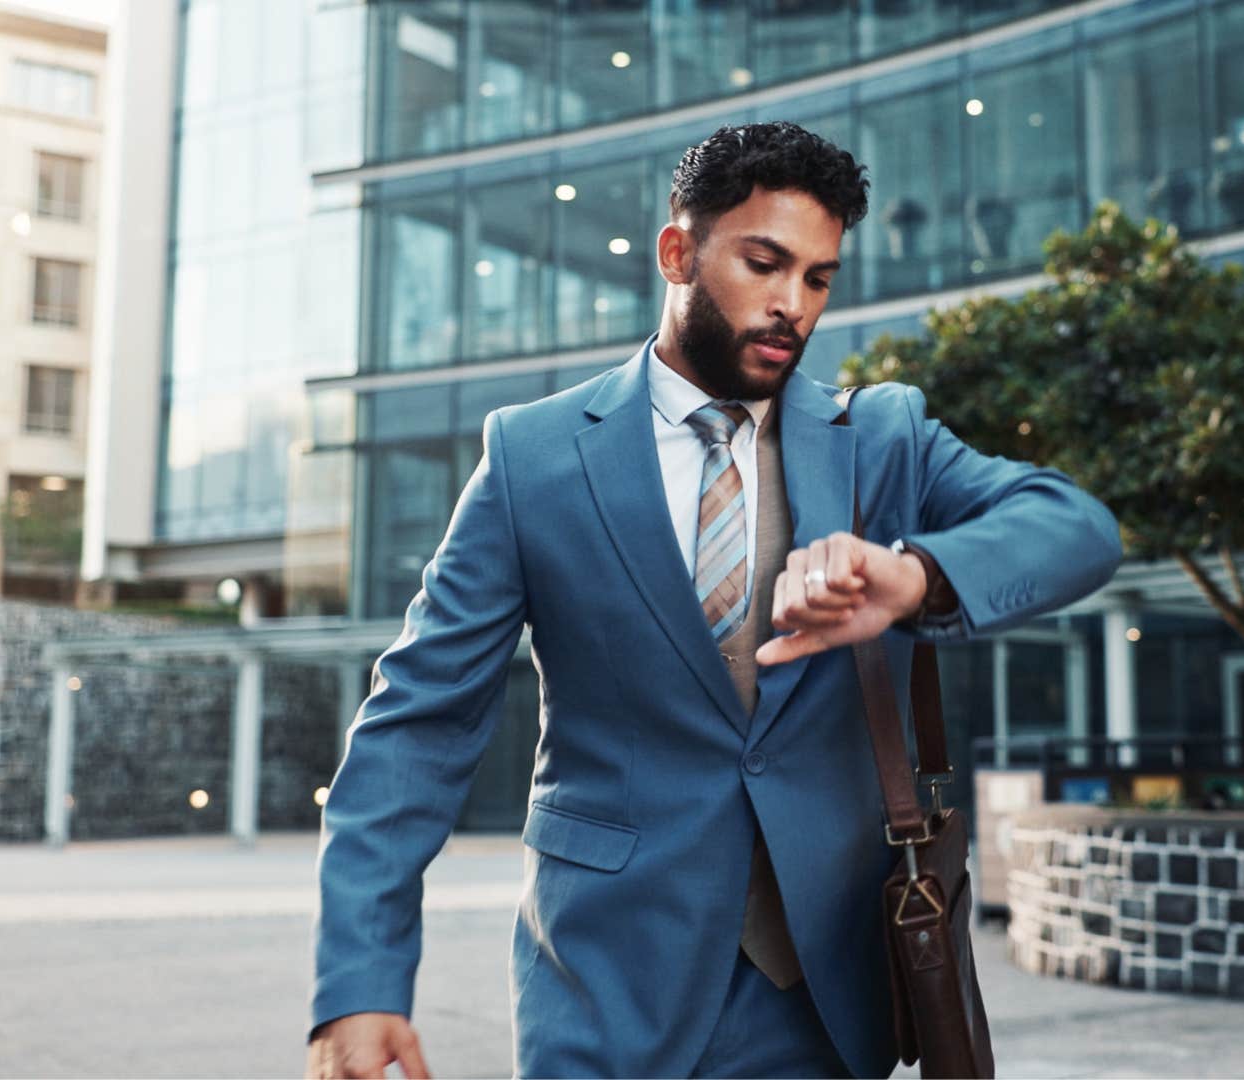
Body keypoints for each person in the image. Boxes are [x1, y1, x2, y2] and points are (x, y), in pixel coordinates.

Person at [306, 121, 1122, 1079]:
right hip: (604, 985)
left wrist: (915, 578)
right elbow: (416, 727)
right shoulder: (534, 456)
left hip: (819, 994)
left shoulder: (885, 435)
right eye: (765, 263)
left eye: (818, 279)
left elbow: (1076, 527)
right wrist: (360, 982)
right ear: (678, 251)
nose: (792, 306)